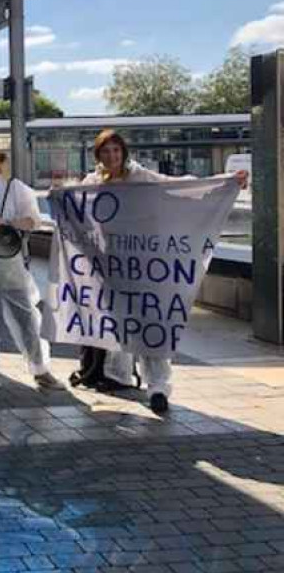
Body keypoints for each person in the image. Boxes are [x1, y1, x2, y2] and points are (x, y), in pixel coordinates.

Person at [78, 129, 248, 414]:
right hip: (113, 265)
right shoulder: (92, 182)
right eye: (106, 152)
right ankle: (117, 376)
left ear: (124, 152)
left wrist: (224, 182)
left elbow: (177, 185)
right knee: (118, 321)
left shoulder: (140, 177)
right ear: (98, 156)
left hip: (144, 263)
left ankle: (157, 387)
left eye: (116, 151)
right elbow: (78, 211)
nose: (112, 156)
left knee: (150, 322)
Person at [0, 139, 65, 391]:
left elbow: (33, 221)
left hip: (8, 259)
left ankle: (40, 369)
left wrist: (8, 221)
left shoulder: (15, 187)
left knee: (25, 316)